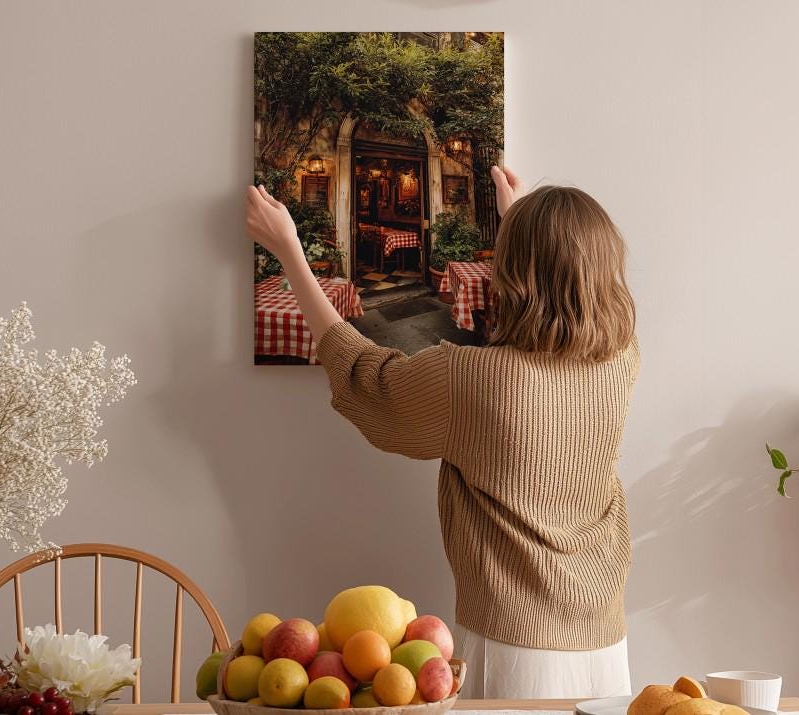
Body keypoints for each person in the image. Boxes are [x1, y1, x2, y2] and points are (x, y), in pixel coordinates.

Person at [246, 166, 639, 699]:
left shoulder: (471, 379)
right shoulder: (622, 360)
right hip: (606, 640)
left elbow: (366, 375)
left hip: (513, 646)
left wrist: (290, 252)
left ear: (513, 271)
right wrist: (520, 222)